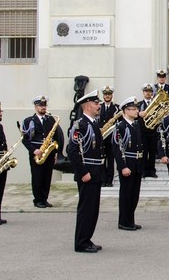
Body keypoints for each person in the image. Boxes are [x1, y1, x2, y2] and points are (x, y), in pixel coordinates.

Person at [67, 90, 105, 253]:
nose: (99, 106)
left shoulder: (93, 123)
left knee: (92, 209)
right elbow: (72, 151)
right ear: (87, 106)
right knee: (86, 209)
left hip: (95, 172)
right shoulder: (80, 125)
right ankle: (81, 242)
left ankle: (87, 239)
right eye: (96, 103)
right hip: (87, 173)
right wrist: (83, 172)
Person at [22, 95, 65, 208]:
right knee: (37, 177)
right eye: (41, 105)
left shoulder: (50, 119)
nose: (43, 107)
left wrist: (56, 153)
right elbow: (25, 139)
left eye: (44, 105)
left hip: (49, 152)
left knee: (47, 176)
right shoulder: (28, 121)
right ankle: (37, 199)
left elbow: (56, 136)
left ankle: (44, 198)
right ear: (35, 107)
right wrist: (34, 150)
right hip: (37, 152)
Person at [112, 96, 145, 231]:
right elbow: (117, 149)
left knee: (134, 195)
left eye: (137, 108)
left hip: (137, 164)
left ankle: (130, 220)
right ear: (126, 110)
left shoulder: (136, 125)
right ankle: (124, 221)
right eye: (133, 109)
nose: (137, 111)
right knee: (126, 195)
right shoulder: (120, 126)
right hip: (128, 164)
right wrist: (122, 167)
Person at [99, 86, 120, 187]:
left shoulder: (116, 108)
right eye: (105, 94)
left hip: (111, 138)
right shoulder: (99, 107)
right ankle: (102, 180)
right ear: (103, 95)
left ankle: (109, 180)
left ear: (112, 95)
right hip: (101, 138)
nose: (107, 96)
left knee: (111, 160)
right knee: (102, 159)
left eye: (109, 94)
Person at [138, 83, 159, 178]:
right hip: (142, 132)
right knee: (144, 152)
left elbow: (159, 116)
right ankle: (143, 170)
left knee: (152, 152)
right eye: (146, 91)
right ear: (143, 92)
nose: (148, 93)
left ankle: (152, 170)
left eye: (150, 91)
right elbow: (134, 116)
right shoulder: (139, 104)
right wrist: (139, 114)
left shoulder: (156, 104)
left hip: (153, 132)